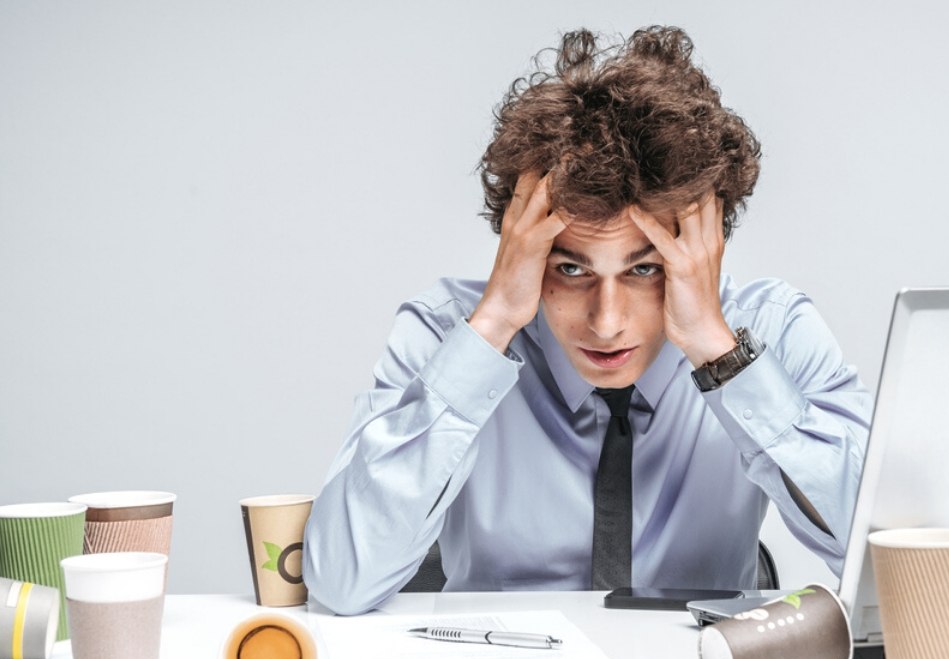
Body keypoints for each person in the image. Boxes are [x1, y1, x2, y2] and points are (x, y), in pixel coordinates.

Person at [303, 26, 872, 616]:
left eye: (645, 270)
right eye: (571, 269)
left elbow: (887, 560)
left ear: (701, 254)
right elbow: (341, 582)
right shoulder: (444, 334)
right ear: (520, 249)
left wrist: (719, 354)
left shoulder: (771, 331)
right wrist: (494, 322)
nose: (606, 323)